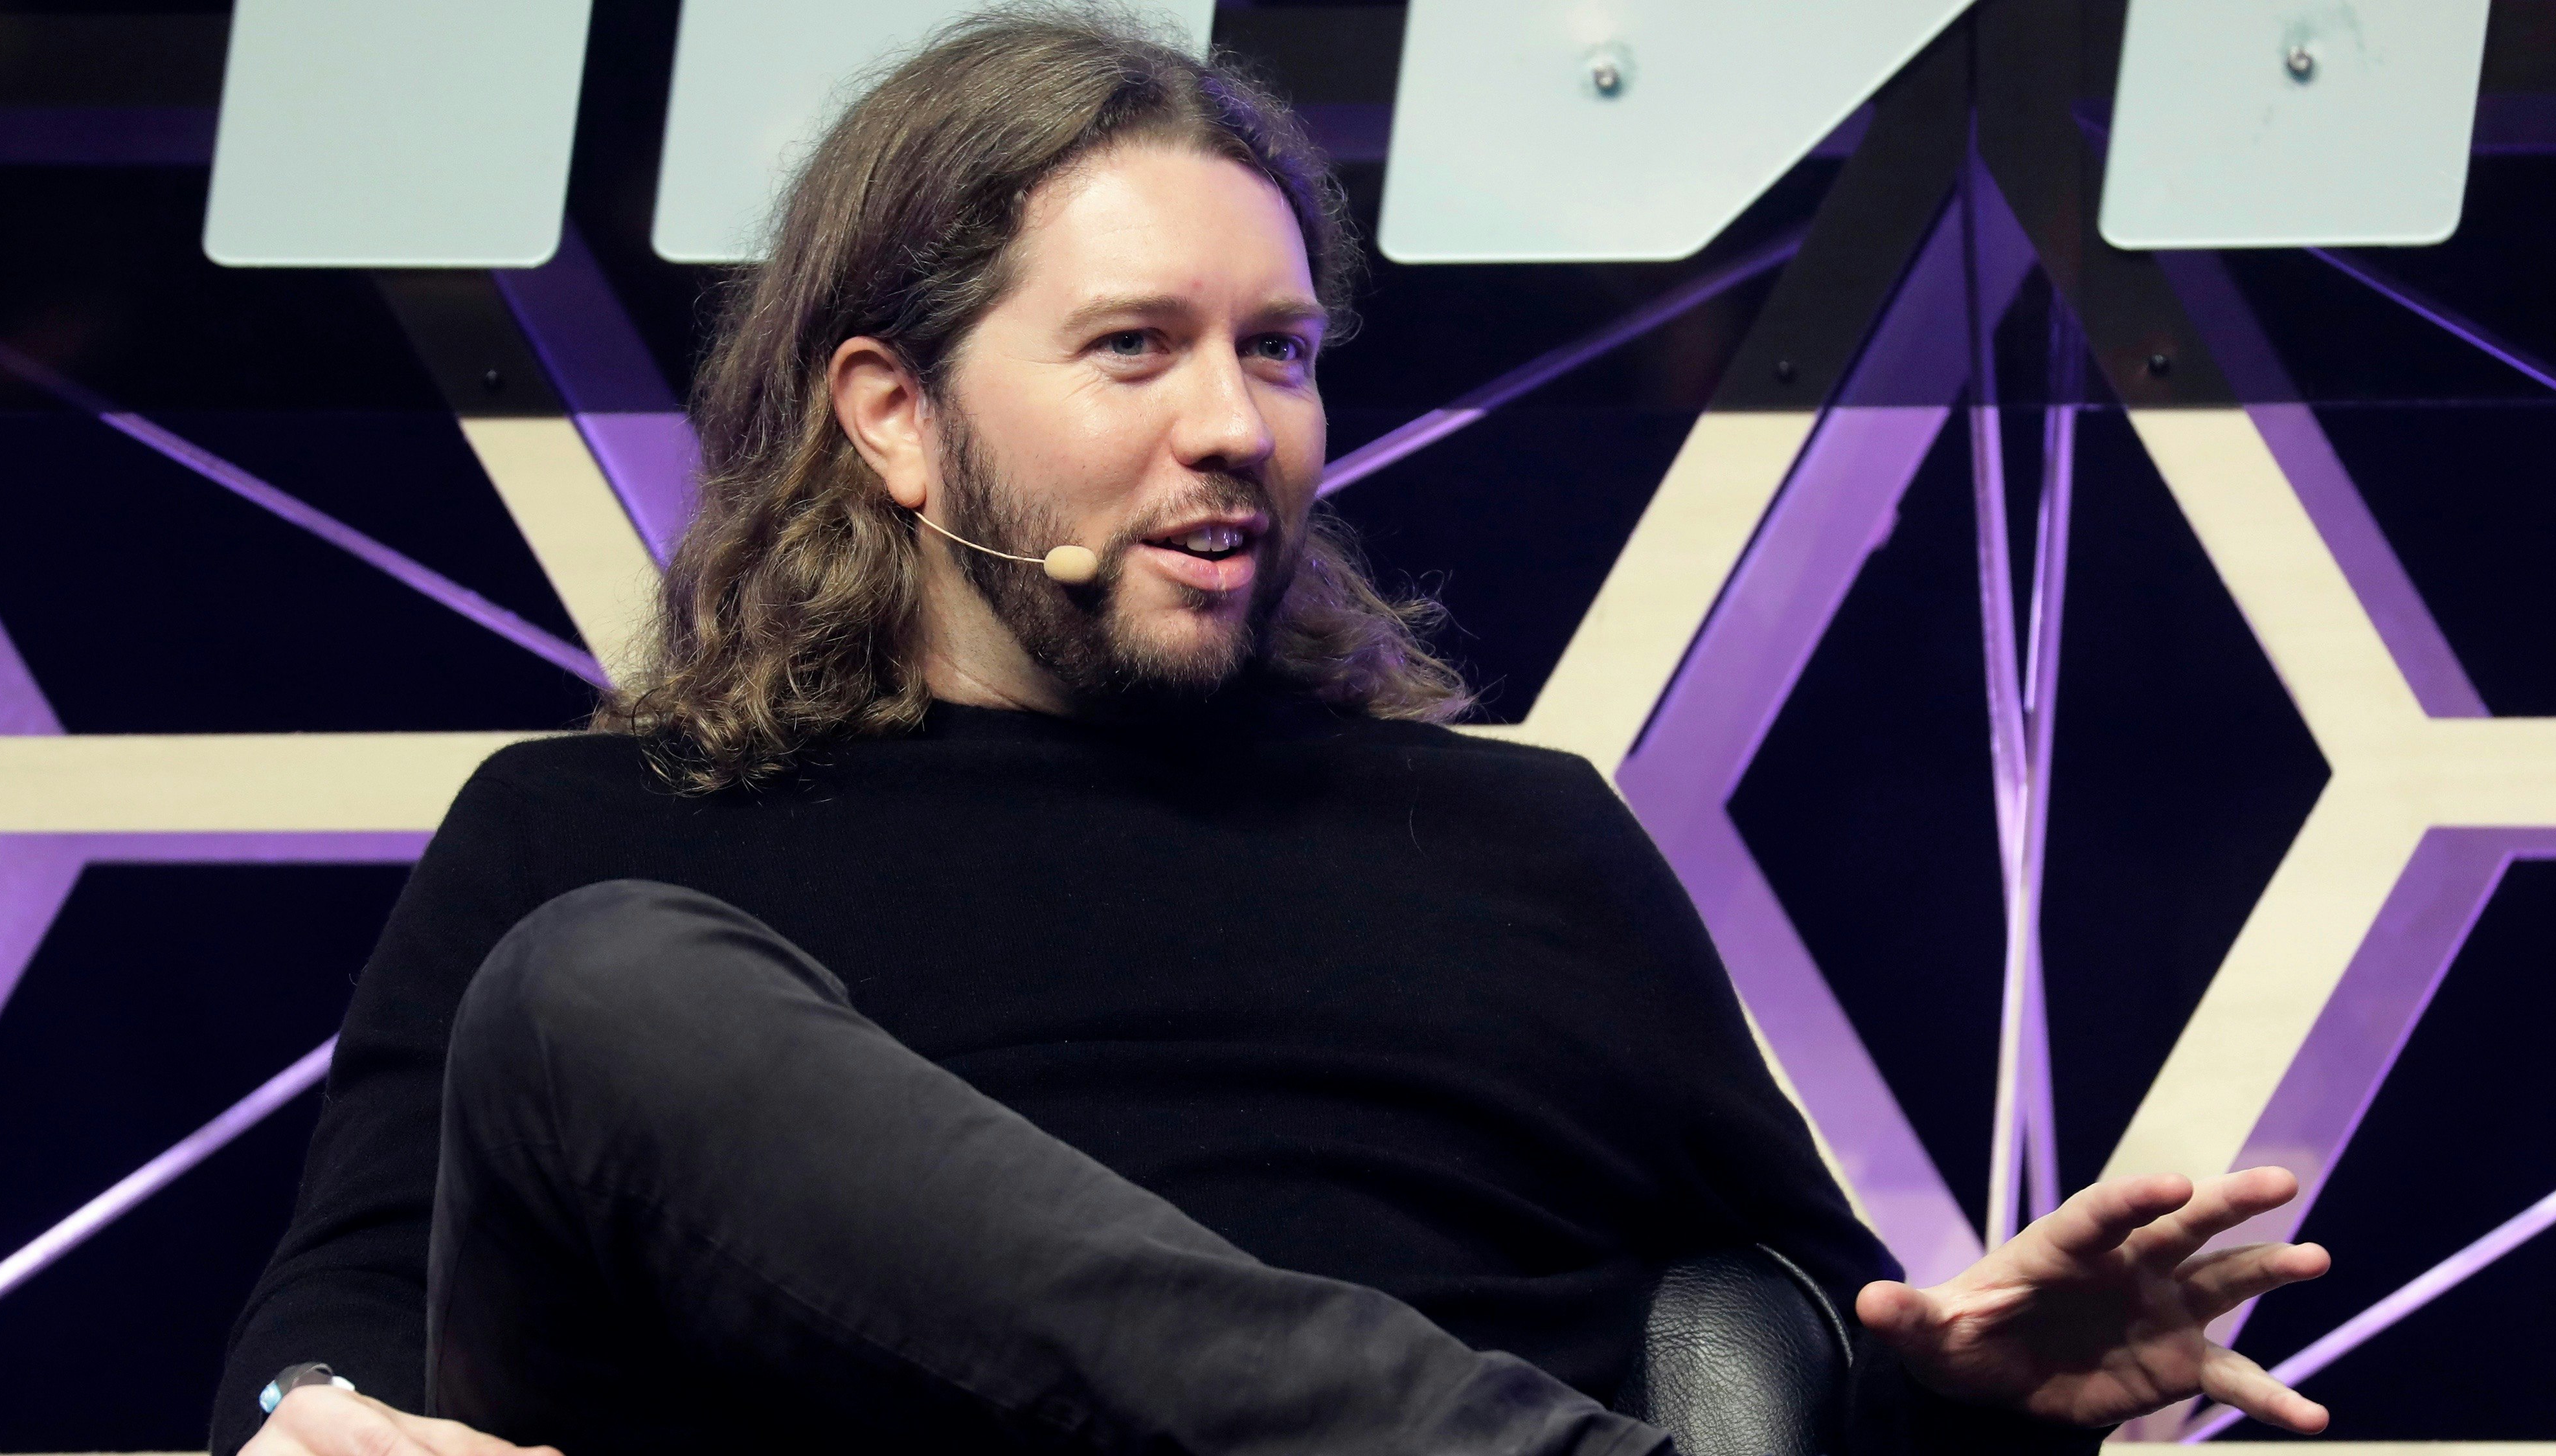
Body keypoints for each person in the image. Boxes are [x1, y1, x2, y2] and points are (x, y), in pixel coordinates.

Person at [215, 12, 2333, 1455]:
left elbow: (1804, 1348)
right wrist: (306, 1423)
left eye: (1280, 351)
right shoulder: (595, 825)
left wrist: (1964, 1387)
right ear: (892, 411)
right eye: (1135, 349)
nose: (1236, 425)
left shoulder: (1514, 844)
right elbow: (330, 1357)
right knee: (605, 980)